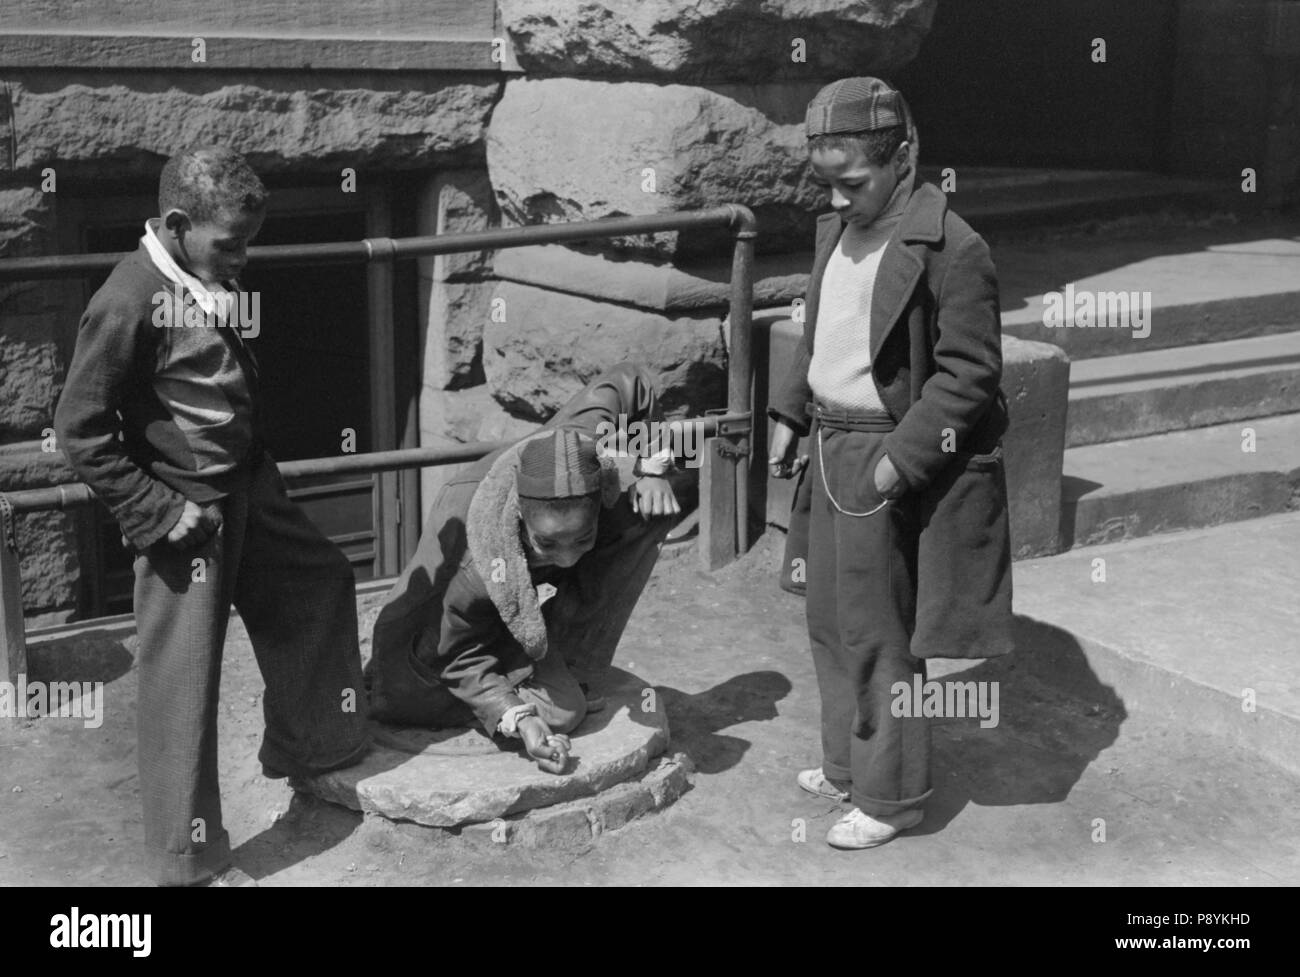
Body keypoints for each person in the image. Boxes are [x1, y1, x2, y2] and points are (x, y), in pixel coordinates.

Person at [54, 146, 370, 886]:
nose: (244, 257)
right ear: (174, 225)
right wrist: (156, 510)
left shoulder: (201, 271)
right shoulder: (126, 298)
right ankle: (188, 861)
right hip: (183, 511)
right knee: (184, 681)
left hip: (249, 487)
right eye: (231, 243)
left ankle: (316, 749)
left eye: (249, 241)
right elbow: (79, 429)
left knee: (320, 582)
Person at [768, 77, 1015, 850]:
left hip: (882, 453)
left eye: (854, 183)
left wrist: (899, 463)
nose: (840, 200)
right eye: (827, 185)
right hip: (826, 444)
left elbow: (969, 373)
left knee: (881, 632)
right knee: (829, 620)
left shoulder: (953, 247)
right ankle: (847, 764)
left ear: (903, 158)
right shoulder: (840, 230)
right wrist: (786, 410)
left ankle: (894, 794)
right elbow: (819, 331)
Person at [365, 364, 681, 774]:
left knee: (651, 511)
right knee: (563, 713)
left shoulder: (585, 441)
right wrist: (518, 717)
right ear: (520, 515)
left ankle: (564, 654)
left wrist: (653, 466)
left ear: (600, 489)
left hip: (499, 600)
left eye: (582, 539)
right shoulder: (477, 565)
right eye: (547, 543)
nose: (568, 559)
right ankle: (517, 673)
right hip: (432, 647)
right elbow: (454, 655)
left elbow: (633, 382)